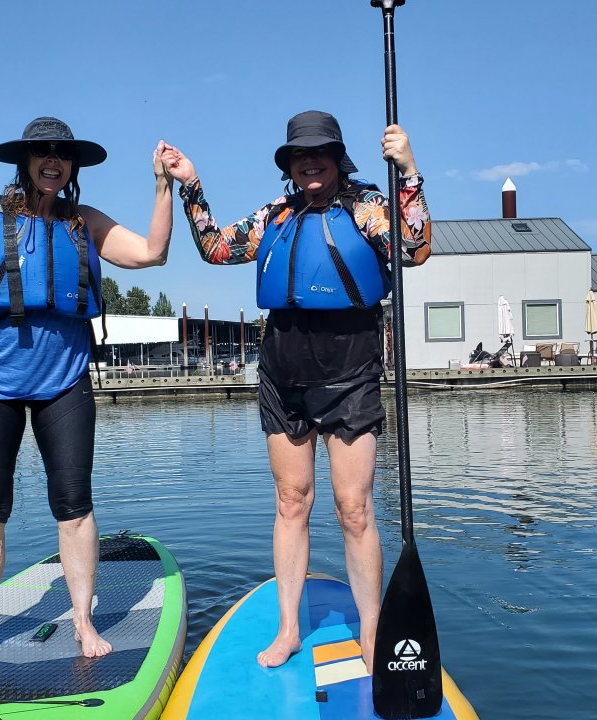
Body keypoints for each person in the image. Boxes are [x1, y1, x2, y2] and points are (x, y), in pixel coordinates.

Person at [0, 116, 175, 667]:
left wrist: (164, 184)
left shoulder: (84, 222)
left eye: (62, 154)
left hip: (64, 383)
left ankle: (81, 618)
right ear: (23, 161)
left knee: (74, 509)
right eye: (41, 152)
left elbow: (152, 253)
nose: (53, 161)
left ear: (72, 166)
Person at [159, 110, 431, 671]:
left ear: (336, 159)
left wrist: (409, 172)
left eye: (321, 153)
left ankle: (374, 631)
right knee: (291, 502)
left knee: (354, 509)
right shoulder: (273, 217)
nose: (310, 162)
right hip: (282, 378)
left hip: (351, 376)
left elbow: (416, 249)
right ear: (289, 164)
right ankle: (288, 629)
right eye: (299, 154)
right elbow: (214, 247)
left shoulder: (367, 207)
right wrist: (191, 185)